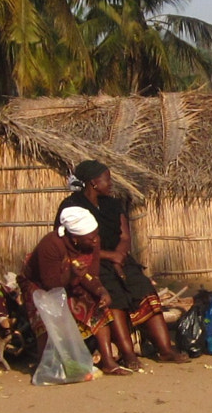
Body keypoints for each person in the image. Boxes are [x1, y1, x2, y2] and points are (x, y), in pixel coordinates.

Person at [57, 160, 188, 366]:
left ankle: (165, 348)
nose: (110, 184)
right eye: (107, 179)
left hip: (121, 259)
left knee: (145, 289)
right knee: (114, 296)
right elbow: (67, 244)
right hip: (92, 262)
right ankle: (128, 353)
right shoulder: (71, 206)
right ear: (93, 183)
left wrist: (119, 256)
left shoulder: (113, 204)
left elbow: (125, 236)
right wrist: (110, 257)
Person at [21, 207, 128, 376]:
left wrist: (101, 291)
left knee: (97, 307)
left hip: (74, 279)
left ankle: (108, 361)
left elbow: (91, 275)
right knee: (47, 313)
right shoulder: (51, 245)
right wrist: (71, 275)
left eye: (96, 235)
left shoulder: (92, 241)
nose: (95, 241)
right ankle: (46, 365)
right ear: (75, 238)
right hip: (41, 286)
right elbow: (50, 284)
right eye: (90, 238)